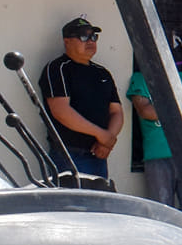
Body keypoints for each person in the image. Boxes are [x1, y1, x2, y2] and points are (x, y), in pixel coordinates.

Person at [40, 16, 123, 181]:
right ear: (67, 41)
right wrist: (102, 135)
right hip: (69, 155)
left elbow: (116, 111)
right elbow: (61, 111)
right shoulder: (57, 69)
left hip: (99, 154)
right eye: (83, 36)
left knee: (98, 206)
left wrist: (107, 140)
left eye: (93, 36)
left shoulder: (102, 73)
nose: (90, 41)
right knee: (70, 206)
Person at [124, 65, 178, 207]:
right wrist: (178, 110)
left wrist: (161, 110)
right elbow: (147, 112)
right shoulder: (140, 78)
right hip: (156, 153)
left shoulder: (181, 78)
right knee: (162, 208)